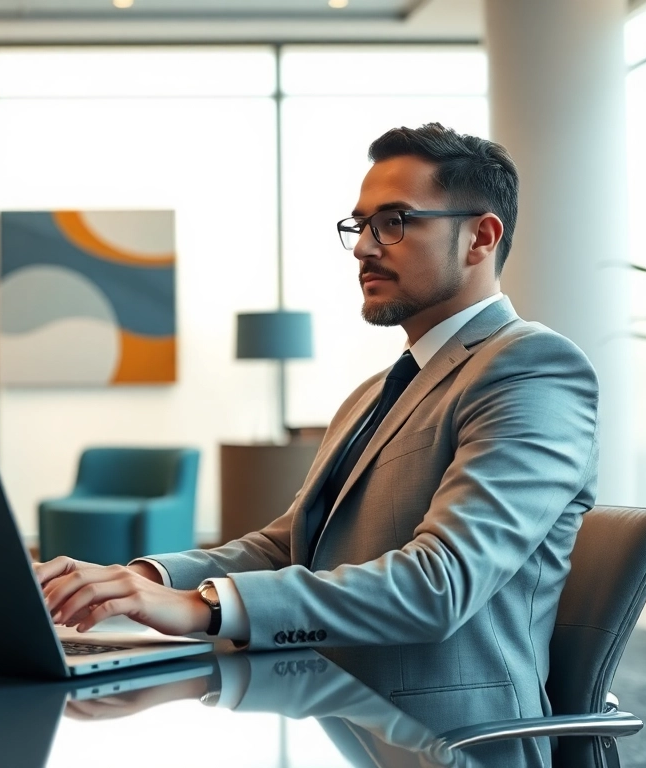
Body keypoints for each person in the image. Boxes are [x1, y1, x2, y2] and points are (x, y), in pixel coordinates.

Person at [36, 122, 598, 766]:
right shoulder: (373, 392)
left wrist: (203, 607)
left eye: (394, 222)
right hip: (329, 709)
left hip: (442, 739)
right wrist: (139, 580)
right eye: (358, 225)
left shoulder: (533, 369)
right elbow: (284, 546)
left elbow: (440, 585)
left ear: (481, 236)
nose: (364, 247)